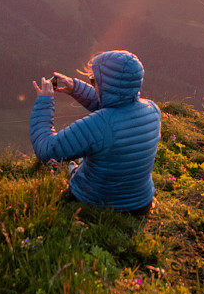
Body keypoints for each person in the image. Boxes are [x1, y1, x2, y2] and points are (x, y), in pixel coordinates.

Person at [30, 50, 161, 216]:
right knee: (96, 150)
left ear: (107, 85)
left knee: (84, 152)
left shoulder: (99, 124)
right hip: (141, 204)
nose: (93, 85)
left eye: (94, 81)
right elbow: (115, 106)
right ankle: (77, 169)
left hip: (97, 203)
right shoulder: (152, 110)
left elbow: (46, 150)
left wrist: (44, 101)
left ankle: (76, 172)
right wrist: (75, 87)